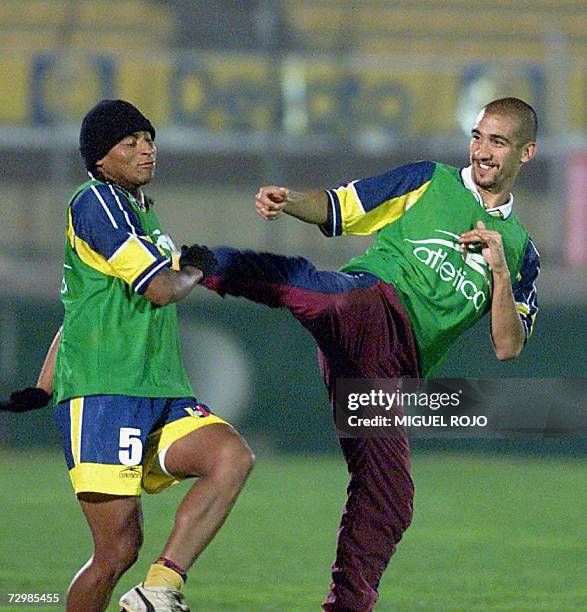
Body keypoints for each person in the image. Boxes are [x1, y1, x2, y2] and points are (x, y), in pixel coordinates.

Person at [199, 97, 540, 610]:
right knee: (327, 295)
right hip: (373, 302)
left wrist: (498, 270)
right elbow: (340, 207)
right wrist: (289, 199)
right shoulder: (429, 180)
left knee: (390, 500)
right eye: (476, 136)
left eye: (497, 141)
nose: (481, 151)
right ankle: (200, 264)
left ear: (526, 153)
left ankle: (347, 605)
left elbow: (507, 346)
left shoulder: (521, 252)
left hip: (391, 372)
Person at [1, 99, 255, 612]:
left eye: (149, 139)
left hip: (160, 392)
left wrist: (43, 384)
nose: (146, 150)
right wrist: (193, 271)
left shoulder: (139, 208)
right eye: (130, 143)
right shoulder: (95, 201)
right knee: (115, 551)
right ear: (99, 158)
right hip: (104, 396)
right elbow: (160, 289)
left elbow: (82, 306)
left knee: (231, 457)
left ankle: (159, 588)